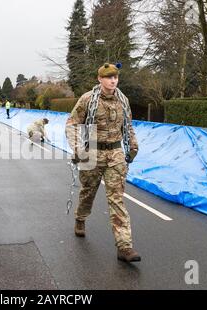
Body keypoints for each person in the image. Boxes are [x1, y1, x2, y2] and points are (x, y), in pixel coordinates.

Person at [65, 63, 140, 263]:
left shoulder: (123, 100)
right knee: (88, 192)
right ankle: (80, 218)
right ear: (100, 79)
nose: (113, 80)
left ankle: (124, 246)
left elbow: (128, 126)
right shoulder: (88, 100)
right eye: (108, 77)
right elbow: (71, 124)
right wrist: (77, 147)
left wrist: (133, 146)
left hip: (115, 154)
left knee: (117, 199)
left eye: (115, 77)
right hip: (92, 153)